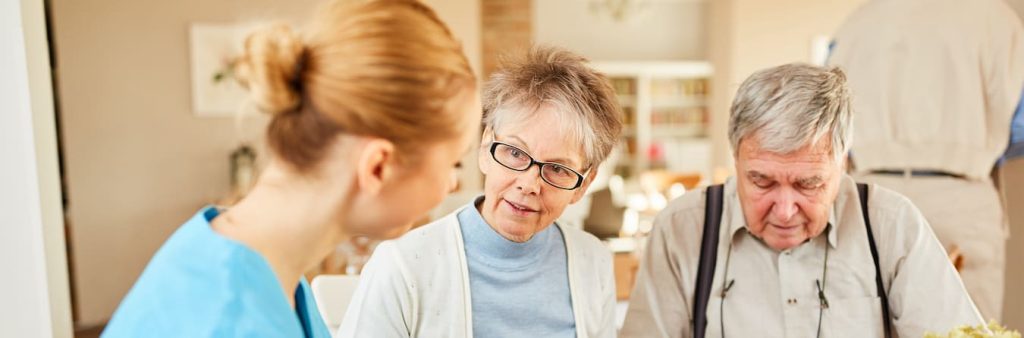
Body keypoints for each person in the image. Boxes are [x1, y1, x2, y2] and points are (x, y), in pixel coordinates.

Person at [101, 0, 480, 336]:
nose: (451, 184)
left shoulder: (252, 257)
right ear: (378, 167)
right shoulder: (232, 320)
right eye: (453, 162)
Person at [620, 63, 982, 338]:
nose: (785, 210)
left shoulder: (891, 223)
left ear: (843, 164)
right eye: (761, 181)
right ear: (736, 159)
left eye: (809, 184)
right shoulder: (683, 228)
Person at [337, 46, 622, 338]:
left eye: (558, 169)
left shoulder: (593, 261)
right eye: (514, 152)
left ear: (584, 185)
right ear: (486, 147)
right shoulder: (403, 265)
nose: (529, 184)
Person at [827, 0, 1024, 321]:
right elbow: (1020, 125)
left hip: (869, 194)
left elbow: (826, 119)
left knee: (870, 323)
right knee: (966, 327)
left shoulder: (858, 22)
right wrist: (973, 147)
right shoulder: (997, 18)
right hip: (961, 195)